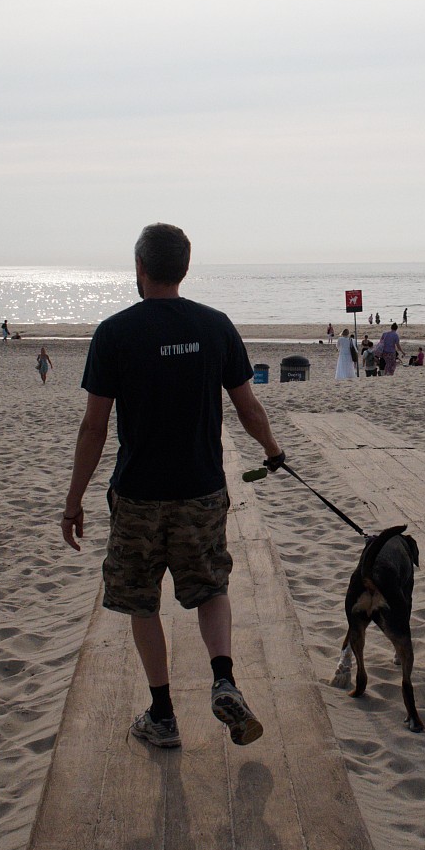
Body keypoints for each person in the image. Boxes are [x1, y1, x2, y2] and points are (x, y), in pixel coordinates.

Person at [62, 223, 283, 750]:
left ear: (140, 268)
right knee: (211, 588)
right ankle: (223, 677)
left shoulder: (114, 332)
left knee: (142, 602)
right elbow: (248, 408)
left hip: (138, 494)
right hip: (201, 490)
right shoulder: (216, 326)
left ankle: (162, 716)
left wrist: (73, 501)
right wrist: (273, 453)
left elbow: (94, 427)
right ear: (183, 268)